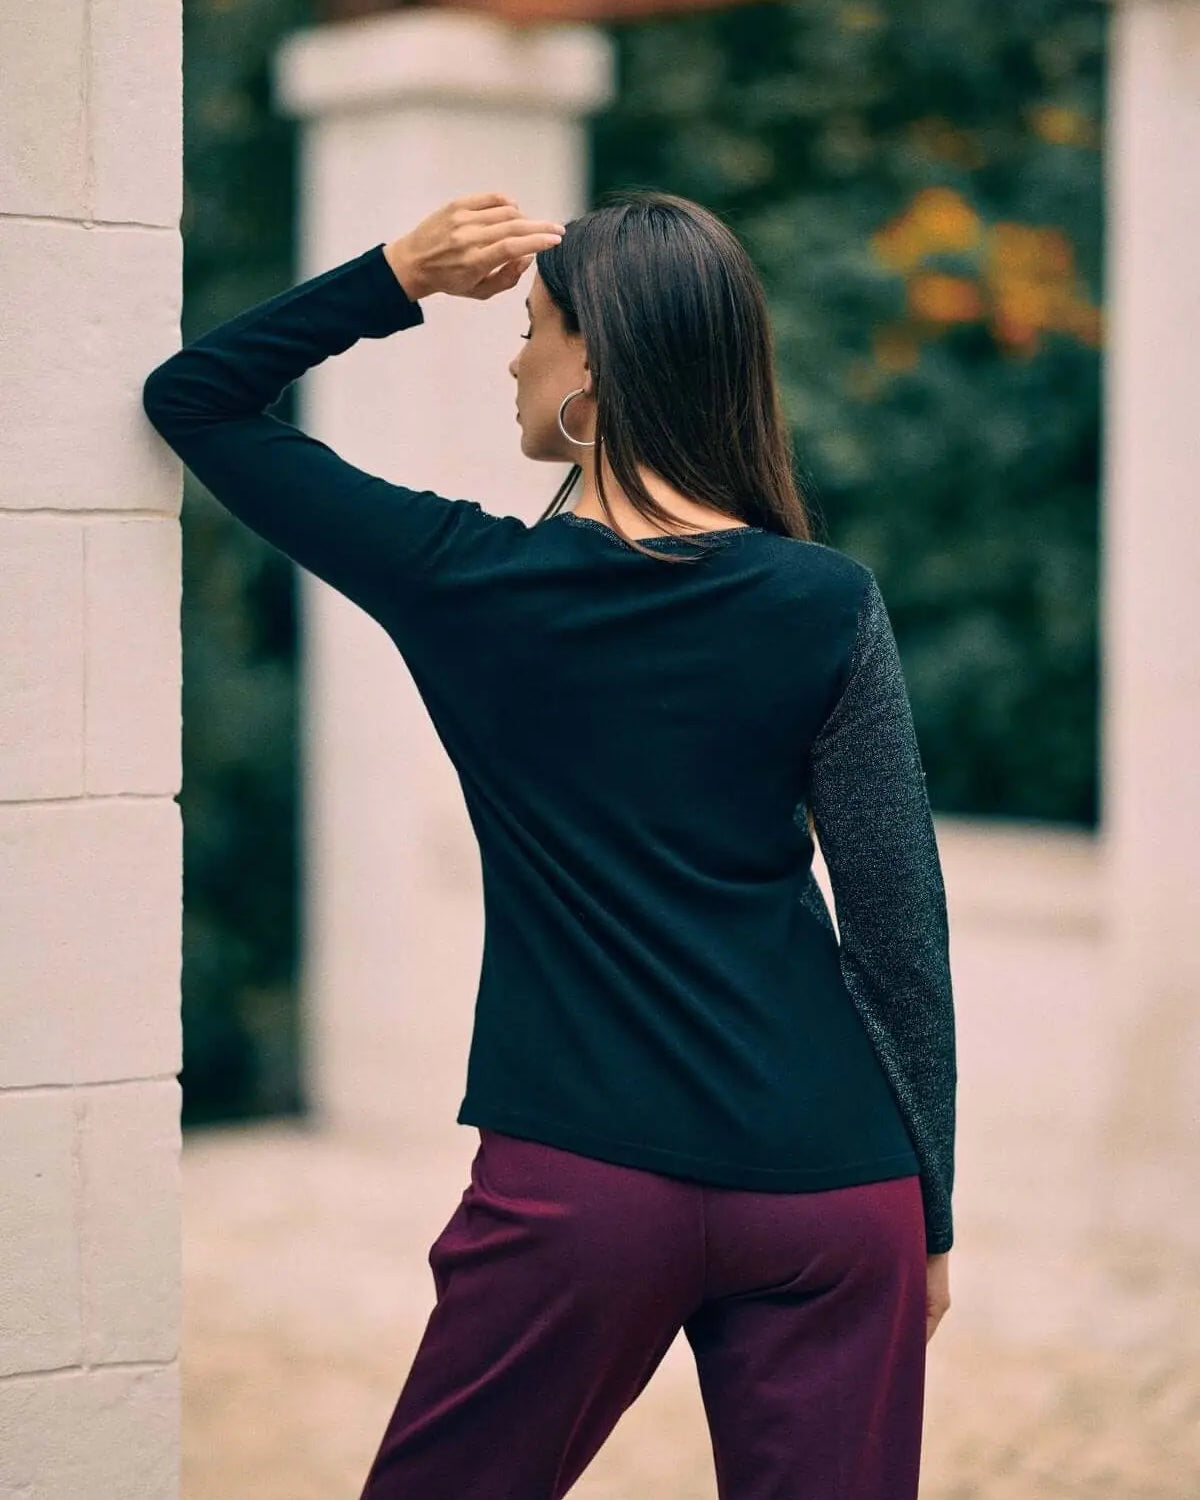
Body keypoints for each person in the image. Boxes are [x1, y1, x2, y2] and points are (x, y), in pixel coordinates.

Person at [143, 187, 956, 1500]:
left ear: (596, 364)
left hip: (584, 1187)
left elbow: (198, 400)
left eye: (531, 328)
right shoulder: (827, 600)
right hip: (835, 1182)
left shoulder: (464, 580)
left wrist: (398, 274)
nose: (515, 357)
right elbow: (899, 930)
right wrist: (933, 1213)